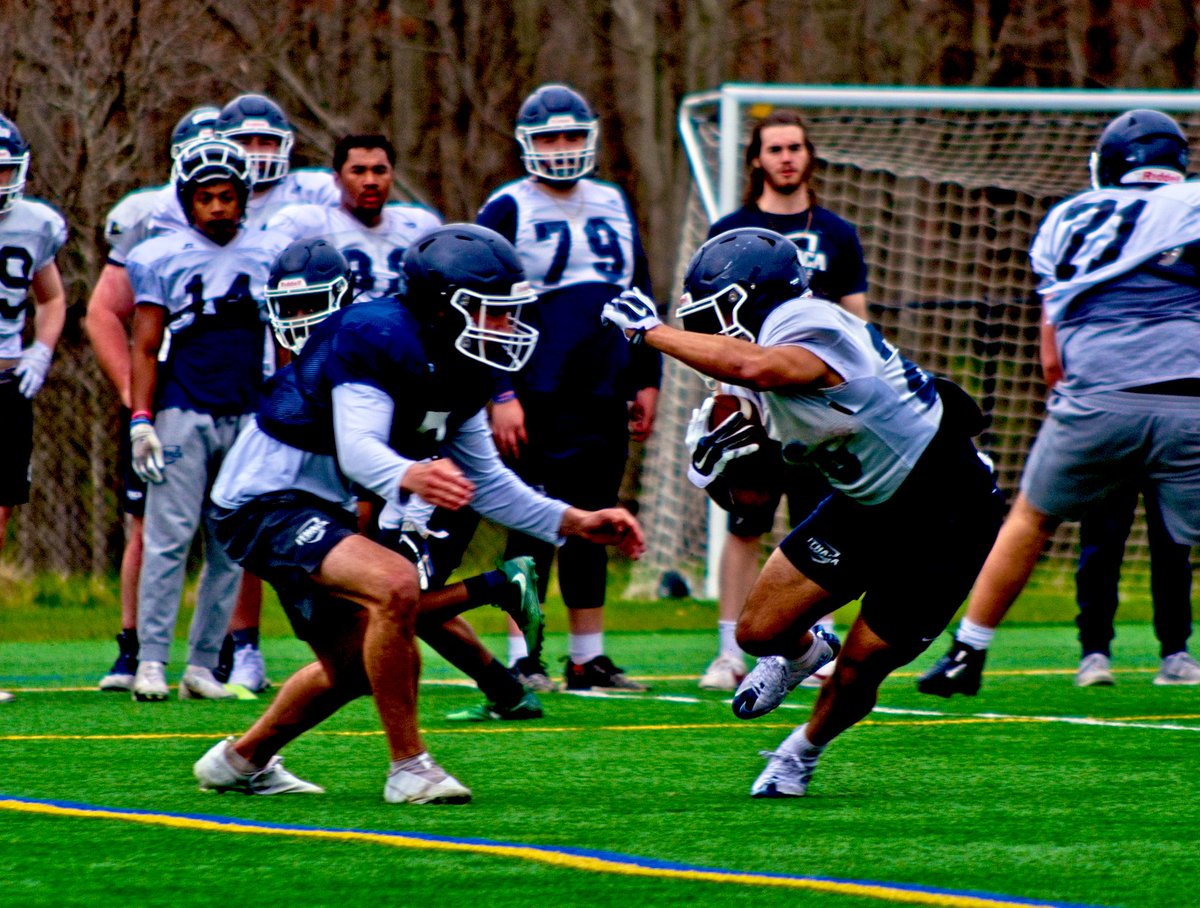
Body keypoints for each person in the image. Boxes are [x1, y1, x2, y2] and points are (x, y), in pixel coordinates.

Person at [195, 224, 643, 803]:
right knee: (396, 585)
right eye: (494, 311)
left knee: (356, 667)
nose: (508, 327)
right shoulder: (377, 335)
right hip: (264, 497)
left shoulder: (465, 365)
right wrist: (407, 473)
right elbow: (359, 447)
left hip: (318, 502)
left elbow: (489, 486)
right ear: (443, 308)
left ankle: (240, 760)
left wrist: (574, 521)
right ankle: (409, 766)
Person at [601, 227, 1003, 798]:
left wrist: (652, 334)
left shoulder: (806, 323)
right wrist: (729, 470)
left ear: (756, 297)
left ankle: (800, 752)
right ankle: (805, 652)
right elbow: (753, 503)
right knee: (758, 630)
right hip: (866, 502)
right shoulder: (752, 364)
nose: (709, 329)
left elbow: (762, 369)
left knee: (863, 666)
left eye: (717, 313)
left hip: (945, 510)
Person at [918, 109, 1200, 698]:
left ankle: (968, 651)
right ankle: (1172, 651)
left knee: (1030, 518)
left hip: (1095, 398)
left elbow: (1053, 348)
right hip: (1188, 399)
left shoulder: (1066, 218)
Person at [261, 236, 546, 724]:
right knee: (395, 597)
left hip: (430, 482)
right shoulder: (318, 353)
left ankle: (501, 588)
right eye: (291, 306)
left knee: (391, 599)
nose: (301, 317)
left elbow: (381, 450)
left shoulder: (373, 338)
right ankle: (505, 689)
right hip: (396, 483)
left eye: (312, 303)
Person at [474, 83, 660, 692]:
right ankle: (523, 656)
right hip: (536, 391)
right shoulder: (507, 205)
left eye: (572, 135)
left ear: (592, 138)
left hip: (602, 388)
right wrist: (500, 392)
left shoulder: (611, 199)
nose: (561, 148)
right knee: (530, 523)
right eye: (549, 136)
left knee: (596, 522)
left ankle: (587, 659)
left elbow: (640, 295)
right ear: (527, 143)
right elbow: (478, 305)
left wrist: (645, 377)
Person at [699, 110, 869, 692]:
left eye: (796, 146)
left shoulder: (837, 232)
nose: (787, 157)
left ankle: (816, 644)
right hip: (752, 395)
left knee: (820, 522)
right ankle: (729, 651)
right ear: (756, 159)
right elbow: (712, 318)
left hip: (817, 403)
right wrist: (728, 392)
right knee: (745, 520)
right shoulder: (731, 227)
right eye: (775, 148)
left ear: (808, 154)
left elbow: (856, 319)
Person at [125, 137, 290, 702]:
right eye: (206, 198)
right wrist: (140, 418)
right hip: (182, 411)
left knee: (232, 545)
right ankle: (150, 660)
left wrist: (283, 411)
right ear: (188, 201)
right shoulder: (160, 256)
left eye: (226, 197)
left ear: (243, 198)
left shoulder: (269, 254)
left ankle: (201, 665)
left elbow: (285, 341)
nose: (217, 208)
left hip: (247, 413)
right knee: (168, 540)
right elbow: (144, 346)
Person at [208, 92, 343, 691]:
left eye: (270, 142)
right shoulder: (179, 207)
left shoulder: (311, 200)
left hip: (306, 373)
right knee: (246, 511)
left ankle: (322, 634)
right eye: (248, 143)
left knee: (309, 509)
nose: (259, 156)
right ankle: (236, 645)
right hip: (234, 376)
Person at [88, 105, 221, 692]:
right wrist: (131, 395)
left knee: (231, 530)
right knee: (151, 526)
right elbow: (104, 313)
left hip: (230, 396)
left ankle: (223, 653)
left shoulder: (260, 231)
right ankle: (135, 647)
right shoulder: (148, 220)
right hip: (169, 395)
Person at [0, 114, 68, 553]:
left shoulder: (35, 223)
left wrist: (41, 351)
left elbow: (52, 299)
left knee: (1, 505)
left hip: (6, 383)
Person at [268, 134, 442, 302]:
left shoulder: (420, 225)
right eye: (358, 171)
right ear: (337, 179)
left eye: (379, 171)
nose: (370, 181)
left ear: (392, 177)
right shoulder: (305, 224)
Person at [1073, 487, 1192, 686]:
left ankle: (1176, 653)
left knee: (1174, 549)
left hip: (1166, 459)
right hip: (1111, 457)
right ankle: (1094, 653)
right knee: (1100, 547)